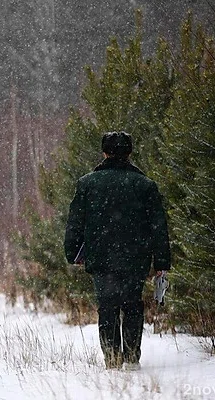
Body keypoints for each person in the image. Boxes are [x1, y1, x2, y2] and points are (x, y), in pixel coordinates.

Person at [64, 131, 171, 371]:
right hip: (136, 256)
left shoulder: (87, 183)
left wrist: (72, 252)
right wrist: (162, 261)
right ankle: (132, 358)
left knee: (108, 307)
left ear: (104, 152)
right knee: (133, 305)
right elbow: (158, 225)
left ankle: (112, 359)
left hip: (101, 255)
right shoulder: (145, 185)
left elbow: (75, 222)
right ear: (129, 153)